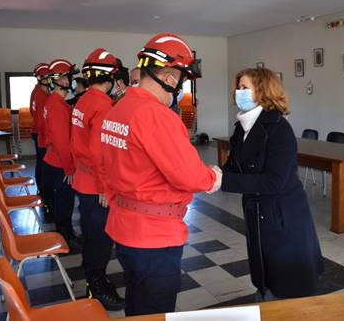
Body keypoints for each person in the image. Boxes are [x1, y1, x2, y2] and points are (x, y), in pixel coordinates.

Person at [100, 33, 221, 316]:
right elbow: (188, 174)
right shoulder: (157, 115)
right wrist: (212, 177)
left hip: (124, 227)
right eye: (181, 79)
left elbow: (104, 164)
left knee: (138, 304)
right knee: (155, 309)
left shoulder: (117, 110)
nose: (179, 87)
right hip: (155, 234)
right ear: (169, 77)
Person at [221, 68, 323, 300]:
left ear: (263, 91)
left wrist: (222, 181)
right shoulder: (242, 128)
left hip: (282, 214)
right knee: (265, 275)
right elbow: (234, 166)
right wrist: (211, 175)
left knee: (285, 281)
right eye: (238, 87)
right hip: (257, 211)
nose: (239, 92)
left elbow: (273, 181)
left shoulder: (278, 129)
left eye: (245, 87)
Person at [71, 48, 125, 310]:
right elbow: (99, 151)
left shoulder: (82, 100)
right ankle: (97, 287)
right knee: (100, 238)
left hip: (84, 180)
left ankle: (94, 276)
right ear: (112, 78)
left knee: (91, 234)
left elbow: (76, 144)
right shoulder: (103, 105)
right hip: (96, 186)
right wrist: (105, 187)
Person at [41, 59, 82, 251]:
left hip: (56, 159)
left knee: (63, 200)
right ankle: (65, 236)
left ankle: (66, 232)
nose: (71, 81)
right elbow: (61, 141)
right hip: (60, 162)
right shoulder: (57, 105)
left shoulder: (55, 102)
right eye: (69, 77)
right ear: (60, 81)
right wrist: (69, 167)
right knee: (64, 201)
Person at [29, 63, 53, 218]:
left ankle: (42, 191)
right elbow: (45, 121)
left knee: (40, 164)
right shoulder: (43, 96)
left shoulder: (36, 92)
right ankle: (46, 195)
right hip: (42, 136)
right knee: (44, 167)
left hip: (37, 133)